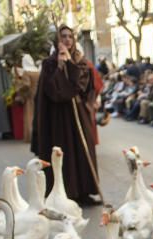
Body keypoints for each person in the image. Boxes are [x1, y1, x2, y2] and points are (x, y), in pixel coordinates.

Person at [31, 25, 101, 204]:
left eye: (70, 36)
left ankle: (84, 192)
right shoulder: (49, 63)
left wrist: (69, 64)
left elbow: (81, 86)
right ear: (58, 40)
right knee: (63, 153)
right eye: (63, 36)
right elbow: (53, 91)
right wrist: (60, 67)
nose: (67, 40)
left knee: (83, 151)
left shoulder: (81, 61)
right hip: (58, 118)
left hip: (78, 114)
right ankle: (65, 194)